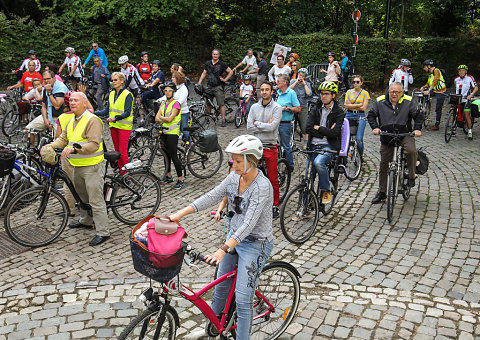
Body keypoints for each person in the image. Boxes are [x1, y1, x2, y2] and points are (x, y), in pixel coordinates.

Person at [169, 134, 274, 340]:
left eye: (237, 161)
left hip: (254, 244)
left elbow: (248, 224)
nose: (232, 165)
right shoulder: (234, 178)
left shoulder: (262, 187)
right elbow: (212, 196)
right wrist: (178, 215)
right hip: (233, 240)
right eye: (232, 160)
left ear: (251, 161)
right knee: (220, 288)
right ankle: (215, 327)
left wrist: (223, 248)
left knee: (243, 301)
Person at [43, 92, 109, 246]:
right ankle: (86, 220)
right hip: (77, 165)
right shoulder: (72, 119)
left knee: (95, 200)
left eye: (76, 100)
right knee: (81, 196)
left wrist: (74, 150)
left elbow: (93, 144)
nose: (72, 103)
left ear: (85, 103)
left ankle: (103, 232)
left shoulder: (93, 120)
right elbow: (63, 139)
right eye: (71, 100)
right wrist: (50, 146)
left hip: (92, 165)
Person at [367, 82, 423, 204]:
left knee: (411, 151)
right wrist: (375, 127)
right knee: (384, 163)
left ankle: (412, 176)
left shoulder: (408, 101)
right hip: (387, 135)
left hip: (404, 133)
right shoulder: (380, 101)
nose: (394, 94)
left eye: (397, 92)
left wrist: (417, 129)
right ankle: (382, 192)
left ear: (402, 92)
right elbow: (371, 115)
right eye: (392, 91)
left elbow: (418, 116)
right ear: (388, 91)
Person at [306, 81, 345, 204]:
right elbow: (307, 128)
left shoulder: (339, 112)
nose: (323, 96)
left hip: (329, 146)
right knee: (308, 177)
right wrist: (325, 131)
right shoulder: (315, 108)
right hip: (313, 145)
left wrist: (319, 128)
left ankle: (326, 190)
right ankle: (304, 206)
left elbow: (335, 133)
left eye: (326, 94)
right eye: (321, 94)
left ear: (333, 95)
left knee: (318, 162)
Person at [247, 82, 282, 217]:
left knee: (273, 178)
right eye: (262, 90)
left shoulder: (277, 107)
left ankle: (275, 205)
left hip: (270, 144)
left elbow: (272, 128)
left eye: (267, 89)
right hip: (256, 144)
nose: (264, 92)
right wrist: (264, 125)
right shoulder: (254, 107)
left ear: (271, 91)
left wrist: (258, 123)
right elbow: (249, 127)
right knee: (249, 174)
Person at [95, 72, 133, 171]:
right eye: (112, 80)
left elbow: (127, 112)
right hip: (113, 126)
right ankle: (121, 171)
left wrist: (115, 118)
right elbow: (106, 111)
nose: (113, 82)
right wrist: (93, 113)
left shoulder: (127, 94)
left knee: (123, 152)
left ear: (122, 81)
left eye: (115, 80)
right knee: (117, 152)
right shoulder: (111, 94)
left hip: (124, 127)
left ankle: (126, 174)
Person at [155, 81, 184, 189]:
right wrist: (164, 119)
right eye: (165, 91)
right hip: (164, 131)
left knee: (173, 155)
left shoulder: (176, 104)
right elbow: (156, 118)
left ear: (173, 92)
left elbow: (169, 119)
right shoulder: (163, 103)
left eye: (169, 90)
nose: (167, 93)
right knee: (165, 155)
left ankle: (180, 179)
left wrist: (162, 118)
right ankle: (168, 175)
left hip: (172, 132)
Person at [197, 49, 234, 127]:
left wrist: (225, 79)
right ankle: (208, 119)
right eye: (214, 54)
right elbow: (204, 73)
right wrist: (199, 82)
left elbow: (230, 72)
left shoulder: (222, 64)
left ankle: (223, 119)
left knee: (221, 104)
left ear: (219, 55)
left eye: (216, 54)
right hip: (209, 86)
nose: (215, 56)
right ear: (212, 55)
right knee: (208, 104)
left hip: (218, 86)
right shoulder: (208, 63)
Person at [276, 74, 300, 170]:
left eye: (278, 81)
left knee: (286, 145)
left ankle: (290, 165)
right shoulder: (278, 93)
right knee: (277, 144)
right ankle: (280, 161)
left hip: (285, 123)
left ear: (285, 83)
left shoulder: (291, 93)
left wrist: (287, 108)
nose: (276, 83)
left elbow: (298, 108)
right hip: (277, 122)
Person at [344, 75, 370, 157]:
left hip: (360, 116)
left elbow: (364, 108)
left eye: (357, 82)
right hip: (349, 114)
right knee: (346, 138)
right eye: (354, 82)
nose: (355, 84)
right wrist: (358, 105)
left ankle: (360, 156)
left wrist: (351, 105)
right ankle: (344, 157)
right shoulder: (348, 92)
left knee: (359, 139)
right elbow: (346, 106)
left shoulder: (365, 93)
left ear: (361, 83)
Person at [420, 59, 447, 130]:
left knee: (438, 108)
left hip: (441, 91)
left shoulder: (436, 71)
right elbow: (428, 83)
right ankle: (425, 108)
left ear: (429, 66)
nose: (424, 68)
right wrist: (423, 87)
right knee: (423, 94)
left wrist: (429, 90)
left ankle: (437, 125)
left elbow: (435, 81)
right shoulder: (430, 74)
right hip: (435, 90)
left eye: (425, 67)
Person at [289, 68, 312, 147]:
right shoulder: (293, 81)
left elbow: (309, 94)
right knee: (292, 125)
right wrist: (296, 81)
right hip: (293, 106)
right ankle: (292, 142)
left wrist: (304, 84)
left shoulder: (307, 84)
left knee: (304, 125)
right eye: (299, 75)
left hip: (303, 106)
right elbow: (289, 90)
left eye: (302, 76)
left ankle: (306, 143)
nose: (300, 77)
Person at [454, 64, 478, 140]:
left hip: (466, 99)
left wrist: (471, 95)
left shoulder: (470, 78)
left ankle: (470, 131)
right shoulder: (456, 79)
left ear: (466, 72)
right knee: (454, 112)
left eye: (463, 71)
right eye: (460, 71)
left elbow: (476, 87)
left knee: (467, 114)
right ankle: (453, 128)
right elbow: (456, 89)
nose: (461, 72)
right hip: (458, 99)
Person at [171, 71, 190, 141]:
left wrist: (172, 104)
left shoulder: (183, 89)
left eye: (173, 77)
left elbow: (180, 101)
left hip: (183, 113)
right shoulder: (175, 88)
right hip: (174, 112)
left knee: (185, 130)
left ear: (178, 79)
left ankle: (189, 146)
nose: (172, 79)